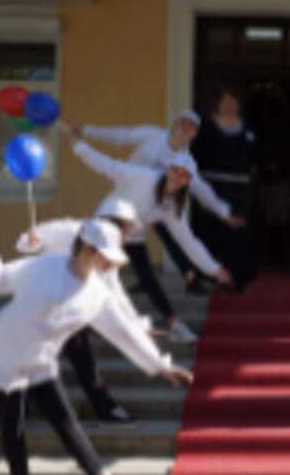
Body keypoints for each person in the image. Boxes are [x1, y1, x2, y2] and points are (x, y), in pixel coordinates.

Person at [0, 213, 193, 475]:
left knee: (65, 417)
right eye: (105, 256)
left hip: (40, 358)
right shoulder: (44, 266)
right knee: (13, 419)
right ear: (86, 249)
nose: (109, 264)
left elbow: (124, 333)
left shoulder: (98, 293)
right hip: (3, 353)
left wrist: (161, 365)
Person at [66, 128, 232, 344]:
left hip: (132, 234)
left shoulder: (173, 206)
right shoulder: (144, 177)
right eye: (176, 171)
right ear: (169, 170)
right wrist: (79, 147)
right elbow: (109, 166)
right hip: (108, 225)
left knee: (148, 278)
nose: (178, 177)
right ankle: (78, 322)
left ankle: (174, 325)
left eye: (184, 175)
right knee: (96, 275)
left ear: (188, 181)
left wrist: (214, 269)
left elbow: (188, 241)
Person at [71, 110, 246, 295]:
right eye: (183, 122)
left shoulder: (185, 166)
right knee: (103, 247)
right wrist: (87, 132)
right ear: (174, 124)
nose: (186, 128)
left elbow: (202, 192)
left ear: (194, 134)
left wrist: (224, 213)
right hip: (125, 197)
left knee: (168, 238)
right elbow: (121, 136)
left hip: (153, 208)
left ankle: (179, 279)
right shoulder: (152, 136)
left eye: (192, 126)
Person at [15, 197, 153, 424]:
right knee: (77, 359)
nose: (128, 234)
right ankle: (104, 408)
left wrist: (137, 324)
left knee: (67, 358)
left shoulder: (108, 248)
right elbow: (27, 242)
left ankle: (21, 406)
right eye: (127, 228)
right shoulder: (69, 229)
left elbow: (114, 290)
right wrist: (31, 242)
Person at [189, 85, 258, 292]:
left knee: (236, 234)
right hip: (211, 186)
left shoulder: (248, 129)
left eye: (233, 100)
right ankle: (207, 277)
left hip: (240, 189)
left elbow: (254, 158)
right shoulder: (205, 127)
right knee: (210, 232)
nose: (230, 105)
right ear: (217, 103)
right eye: (225, 100)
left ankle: (235, 279)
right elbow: (194, 154)